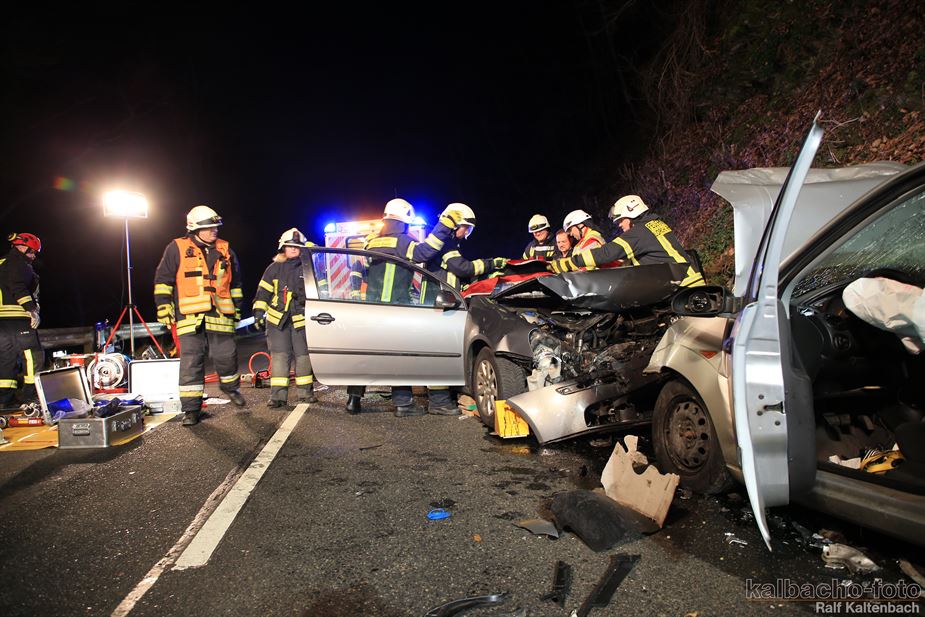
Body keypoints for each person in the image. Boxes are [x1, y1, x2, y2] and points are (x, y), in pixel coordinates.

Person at [345, 198, 457, 417]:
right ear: (405, 220)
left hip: (371, 308)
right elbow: (424, 252)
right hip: (394, 309)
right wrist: (444, 225)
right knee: (399, 354)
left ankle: (353, 400)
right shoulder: (401, 241)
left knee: (365, 355)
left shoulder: (372, 241)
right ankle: (403, 404)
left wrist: (358, 293)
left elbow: (359, 268)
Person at [154, 205, 247, 426]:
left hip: (221, 313)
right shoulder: (176, 248)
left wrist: (237, 309)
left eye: (216, 227)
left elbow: (235, 285)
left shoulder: (226, 250)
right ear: (195, 229)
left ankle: (230, 388)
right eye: (210, 227)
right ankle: (191, 410)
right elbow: (163, 281)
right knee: (191, 362)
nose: (215, 230)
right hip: (189, 315)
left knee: (227, 356)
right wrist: (164, 307)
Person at [418, 203, 507, 415]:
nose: (466, 233)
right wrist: (492, 263)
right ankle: (438, 401)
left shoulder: (447, 243)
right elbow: (462, 267)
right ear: (456, 224)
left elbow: (455, 274)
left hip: (441, 304)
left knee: (443, 350)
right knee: (440, 352)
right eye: (466, 228)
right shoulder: (446, 244)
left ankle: (443, 396)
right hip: (439, 306)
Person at [549, 195, 705, 287]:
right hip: (687, 282)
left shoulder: (638, 233)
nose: (620, 225)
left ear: (632, 214)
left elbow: (607, 252)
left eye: (621, 221)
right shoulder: (654, 225)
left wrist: (566, 264)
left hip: (683, 287)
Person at [253, 228, 316, 409]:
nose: (293, 249)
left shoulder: (309, 268)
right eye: (290, 246)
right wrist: (258, 312)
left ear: (302, 248)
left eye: (297, 246)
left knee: (303, 357)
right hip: (277, 322)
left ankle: (305, 394)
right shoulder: (273, 268)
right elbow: (263, 293)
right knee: (280, 358)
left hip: (301, 320)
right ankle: (278, 397)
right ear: (283, 248)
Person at [0, 233, 43, 410]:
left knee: (6, 359)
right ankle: (30, 395)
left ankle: (4, 399)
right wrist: (31, 310)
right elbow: (17, 286)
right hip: (17, 318)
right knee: (33, 356)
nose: (33, 256)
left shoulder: (2, 262)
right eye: (32, 252)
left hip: (2, 323)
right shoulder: (17, 263)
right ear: (23, 248)